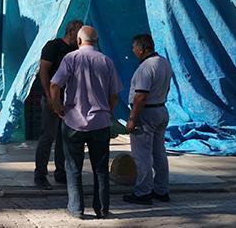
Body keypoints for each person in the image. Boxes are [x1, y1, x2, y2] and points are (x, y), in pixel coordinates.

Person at [50, 26, 122, 219]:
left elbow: (55, 84)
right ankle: (102, 209)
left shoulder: (71, 59)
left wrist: (57, 106)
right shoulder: (106, 61)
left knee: (73, 167)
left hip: (74, 121)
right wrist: (107, 111)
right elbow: (114, 94)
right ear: (96, 40)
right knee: (100, 168)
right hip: (100, 122)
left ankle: (76, 209)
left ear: (79, 41)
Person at [123, 34, 172, 205]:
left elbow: (140, 97)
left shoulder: (146, 67)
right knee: (159, 153)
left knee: (142, 155)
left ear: (142, 48)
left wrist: (132, 119)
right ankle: (161, 190)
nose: (133, 51)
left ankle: (143, 192)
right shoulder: (164, 62)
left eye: (135, 47)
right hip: (161, 110)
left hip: (147, 114)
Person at [34, 19, 83, 190]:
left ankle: (61, 173)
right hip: (54, 97)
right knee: (48, 136)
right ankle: (40, 174)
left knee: (66, 138)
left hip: (70, 101)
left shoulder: (78, 50)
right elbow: (44, 71)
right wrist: (49, 96)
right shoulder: (53, 46)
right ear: (71, 32)